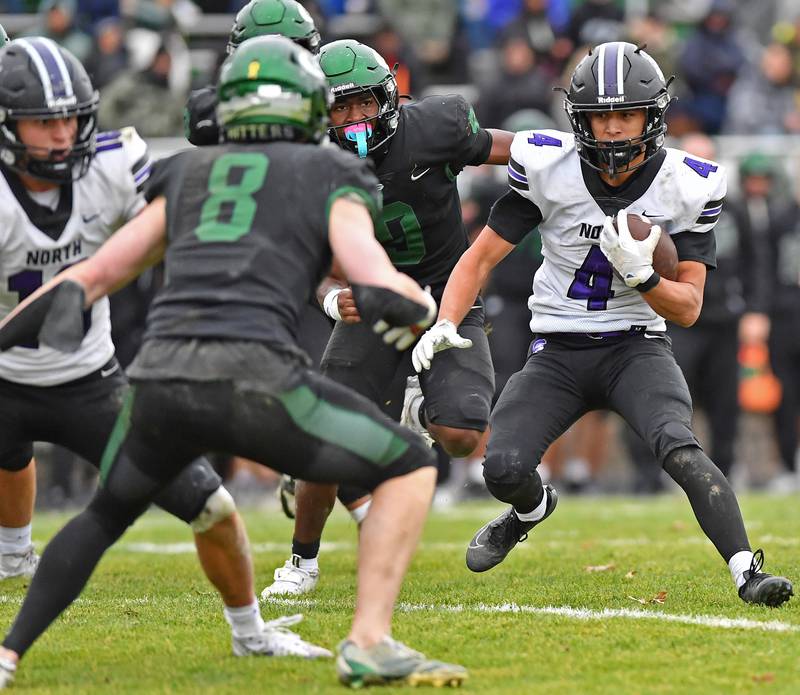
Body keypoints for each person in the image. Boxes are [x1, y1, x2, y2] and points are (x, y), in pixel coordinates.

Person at [0, 35, 466, 689]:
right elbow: (375, 280)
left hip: (159, 382)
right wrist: (417, 305)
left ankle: (8, 655)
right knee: (413, 464)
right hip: (257, 380)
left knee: (105, 513)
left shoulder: (190, 169)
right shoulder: (331, 173)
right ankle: (369, 639)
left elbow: (87, 279)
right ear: (310, 106)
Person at [412, 41, 793, 608]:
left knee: (680, 446)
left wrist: (644, 279)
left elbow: (687, 306)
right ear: (579, 119)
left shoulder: (686, 184)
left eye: (626, 114)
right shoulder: (550, 169)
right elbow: (479, 258)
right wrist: (445, 320)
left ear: (652, 116)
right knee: (502, 466)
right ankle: (531, 507)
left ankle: (746, 571)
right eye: (600, 116)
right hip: (557, 351)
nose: (613, 129)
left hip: (635, 347)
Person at [0, 36, 311, 665]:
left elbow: (193, 207)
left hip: (87, 379)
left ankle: (251, 633)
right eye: (44, 122)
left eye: (71, 119)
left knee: (212, 506)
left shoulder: (113, 166)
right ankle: (12, 557)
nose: (61, 137)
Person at [262, 38, 513, 597]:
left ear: (389, 98)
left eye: (364, 103)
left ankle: (420, 407)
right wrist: (331, 298)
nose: (354, 118)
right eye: (339, 106)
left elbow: (511, 149)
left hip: (446, 295)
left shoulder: (434, 128)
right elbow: (297, 257)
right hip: (372, 302)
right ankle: (301, 562)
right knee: (324, 437)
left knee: (460, 435)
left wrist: (570, 156)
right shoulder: (308, 164)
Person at [184, 0, 321, 147]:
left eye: (286, 50)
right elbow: (198, 116)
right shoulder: (214, 102)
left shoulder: (327, 90)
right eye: (264, 52)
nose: (275, 61)